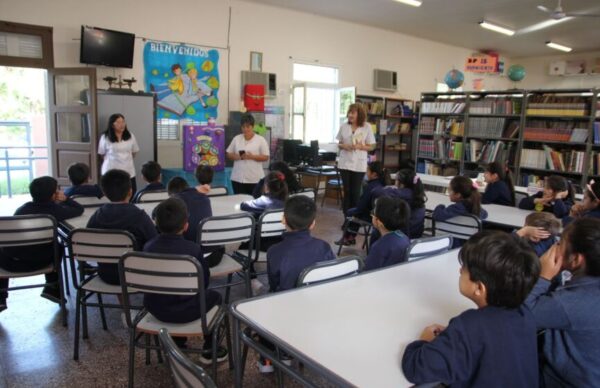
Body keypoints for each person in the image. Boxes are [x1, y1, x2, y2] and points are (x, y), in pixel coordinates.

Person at [402, 230, 540, 387]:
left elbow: (415, 368)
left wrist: (423, 341)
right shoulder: (524, 313)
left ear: (479, 288)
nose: (460, 270)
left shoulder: (469, 327)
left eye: (465, 268)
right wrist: (453, 337)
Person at [142, 197, 227, 364]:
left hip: (155, 308)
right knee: (215, 297)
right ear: (186, 225)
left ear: (156, 223)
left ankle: (178, 342)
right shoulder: (192, 250)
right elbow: (203, 283)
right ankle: (211, 349)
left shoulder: (148, 247)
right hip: (188, 311)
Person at [260, 195, 336, 372]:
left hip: (286, 312)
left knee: (262, 301)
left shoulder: (274, 251)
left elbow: (274, 285)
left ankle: (270, 359)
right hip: (318, 311)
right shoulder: (325, 247)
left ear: (283, 220)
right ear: (313, 223)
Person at [524, 218, 600, 387]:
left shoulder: (570, 302)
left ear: (576, 259)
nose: (555, 247)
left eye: (560, 243)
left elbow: (522, 315)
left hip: (563, 381)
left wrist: (543, 276)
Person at [0, 176, 84, 311]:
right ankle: (52, 287)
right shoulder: (54, 211)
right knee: (58, 246)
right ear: (53, 195)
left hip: (11, 264)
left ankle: (1, 298)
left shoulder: (21, 211)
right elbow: (79, 209)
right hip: (43, 262)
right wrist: (67, 199)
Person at [86, 169, 157, 285]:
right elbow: (154, 241)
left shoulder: (97, 215)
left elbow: (88, 240)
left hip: (106, 274)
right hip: (136, 273)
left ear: (104, 192)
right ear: (130, 192)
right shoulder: (139, 216)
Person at [175, 166, 223, 267]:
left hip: (187, 256)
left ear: (195, 176)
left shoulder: (182, 196)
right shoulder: (221, 191)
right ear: (212, 177)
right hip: (211, 256)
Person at [336, 103, 376, 215]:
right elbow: (339, 144)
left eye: (353, 112)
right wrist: (345, 146)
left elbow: (372, 146)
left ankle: (354, 218)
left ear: (359, 114)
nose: (350, 115)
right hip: (344, 163)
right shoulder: (344, 126)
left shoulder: (367, 127)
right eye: (349, 112)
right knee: (347, 192)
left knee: (355, 192)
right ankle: (346, 218)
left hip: (359, 164)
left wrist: (361, 147)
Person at [336, 161, 388, 246]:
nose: (366, 173)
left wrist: (354, 210)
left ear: (374, 174)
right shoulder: (382, 184)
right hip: (378, 214)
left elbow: (361, 206)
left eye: (367, 170)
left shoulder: (370, 187)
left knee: (351, 212)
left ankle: (347, 238)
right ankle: (350, 238)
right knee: (355, 212)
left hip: (370, 216)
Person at [433, 176, 488, 247]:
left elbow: (437, 215)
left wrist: (440, 206)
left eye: (450, 190)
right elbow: (485, 214)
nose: (448, 193)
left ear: (458, 195)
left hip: (453, 245)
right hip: (469, 247)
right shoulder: (474, 206)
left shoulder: (456, 208)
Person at [372, 168, 426, 239]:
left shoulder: (402, 193)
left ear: (401, 183)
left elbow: (375, 192)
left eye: (396, 180)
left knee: (377, 228)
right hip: (417, 233)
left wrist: (390, 188)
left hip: (403, 234)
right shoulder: (418, 193)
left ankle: (375, 249)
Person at [226, 114, 269, 195]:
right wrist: (238, 157)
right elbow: (228, 154)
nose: (245, 129)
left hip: (255, 179)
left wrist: (251, 157)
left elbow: (266, 157)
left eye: (248, 127)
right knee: (239, 203)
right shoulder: (237, 138)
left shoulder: (260, 140)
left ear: (252, 127)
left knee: (254, 202)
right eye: (243, 127)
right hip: (237, 178)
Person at [363, 197, 410, 271]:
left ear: (379, 222)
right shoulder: (404, 238)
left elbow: (367, 272)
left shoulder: (379, 247)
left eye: (373, 213)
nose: (372, 215)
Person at [98, 113, 140, 194]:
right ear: (112, 125)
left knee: (130, 193)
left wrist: (125, 159)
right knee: (112, 194)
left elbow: (134, 152)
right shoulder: (105, 137)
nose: (122, 124)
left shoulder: (130, 135)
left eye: (123, 122)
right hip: (111, 171)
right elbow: (102, 153)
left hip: (128, 170)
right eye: (118, 122)